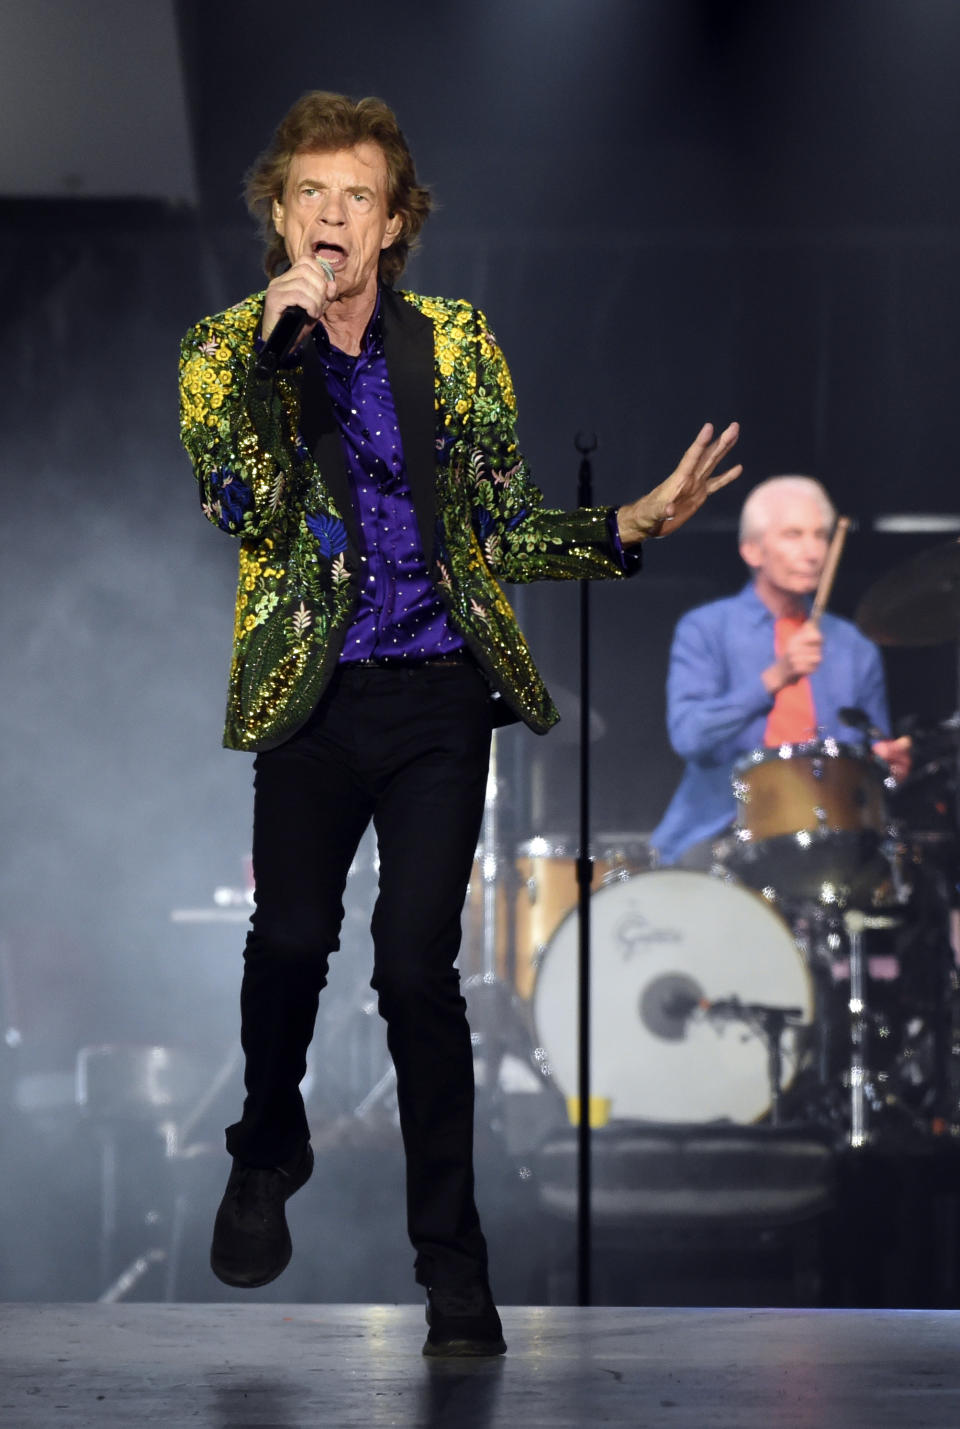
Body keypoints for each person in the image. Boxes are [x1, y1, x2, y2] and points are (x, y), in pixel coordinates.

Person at [178, 90, 740, 1356]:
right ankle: (268, 1145)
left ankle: (454, 1269)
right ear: (279, 216)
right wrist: (282, 354)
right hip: (310, 697)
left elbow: (494, 529)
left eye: (357, 198)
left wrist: (625, 527)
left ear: (393, 223)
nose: (331, 217)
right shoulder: (226, 349)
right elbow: (236, 505)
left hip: (437, 690)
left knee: (419, 971)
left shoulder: (459, 342)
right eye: (310, 195)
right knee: (288, 942)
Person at [650, 474, 910, 869]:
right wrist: (775, 677)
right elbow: (689, 736)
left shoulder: (855, 646)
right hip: (723, 833)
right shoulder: (706, 629)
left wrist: (884, 765)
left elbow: (865, 759)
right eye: (794, 535)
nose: (812, 552)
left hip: (831, 833)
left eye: (820, 536)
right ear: (753, 550)